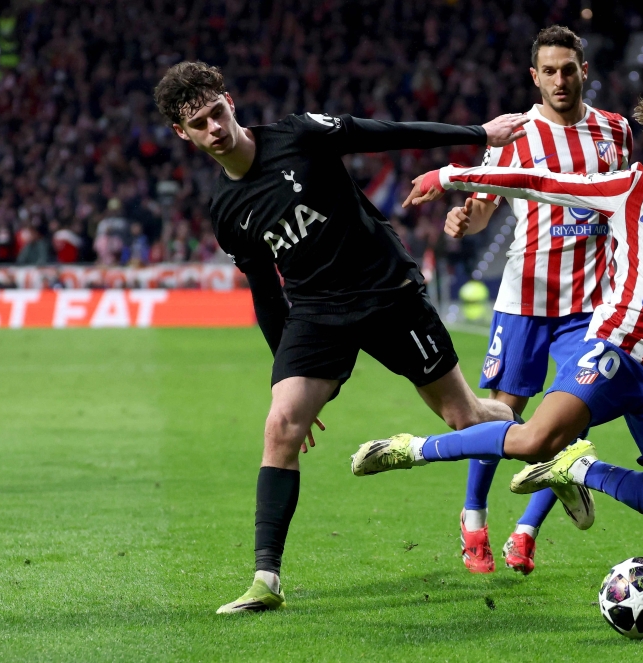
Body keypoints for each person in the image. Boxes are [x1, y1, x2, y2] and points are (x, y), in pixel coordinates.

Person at [351, 76, 643, 539]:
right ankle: (411, 449)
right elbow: (537, 180)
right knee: (534, 439)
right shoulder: (633, 190)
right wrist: (450, 175)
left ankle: (580, 469)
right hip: (615, 355)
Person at [153, 60, 529, 614]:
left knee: (464, 417)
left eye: (216, 112)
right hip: (316, 312)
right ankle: (266, 579)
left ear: (229, 102)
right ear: (182, 135)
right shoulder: (227, 210)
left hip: (385, 291)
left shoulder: (299, 134)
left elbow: (382, 134)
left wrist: (477, 135)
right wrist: (286, 376)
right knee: (281, 425)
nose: (215, 128)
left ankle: (552, 444)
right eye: (200, 124)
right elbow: (265, 293)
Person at [443, 25, 633, 576]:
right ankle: (474, 517)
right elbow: (482, 207)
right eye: (548, 70)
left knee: (573, 418)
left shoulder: (614, 132)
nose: (559, 79)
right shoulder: (516, 133)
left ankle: (525, 531)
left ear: (584, 71)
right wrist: (464, 219)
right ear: (535, 76)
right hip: (525, 297)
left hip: (592, 304)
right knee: (502, 413)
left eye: (568, 68)